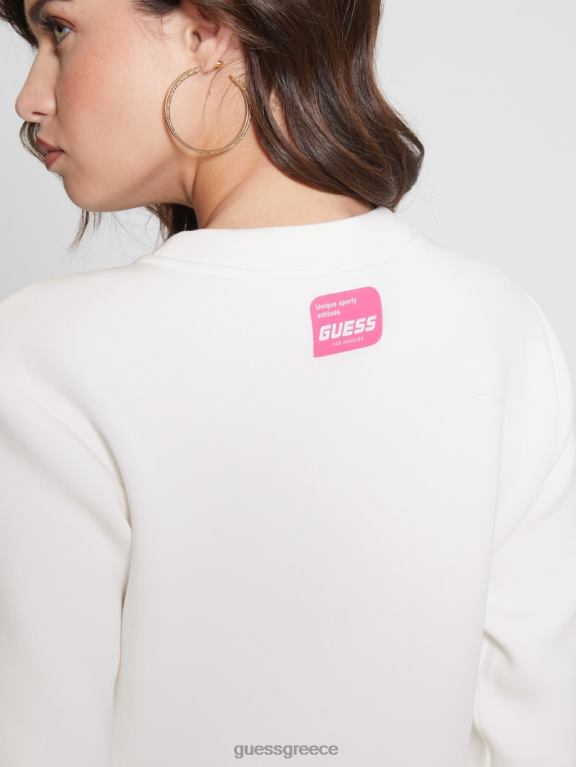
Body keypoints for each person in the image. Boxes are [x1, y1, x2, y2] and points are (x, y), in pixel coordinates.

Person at [0, 1, 575, 766]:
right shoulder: (503, 329)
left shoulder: (44, 350)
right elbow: (539, 738)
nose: (29, 99)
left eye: (60, 31)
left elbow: (39, 741)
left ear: (204, 31)